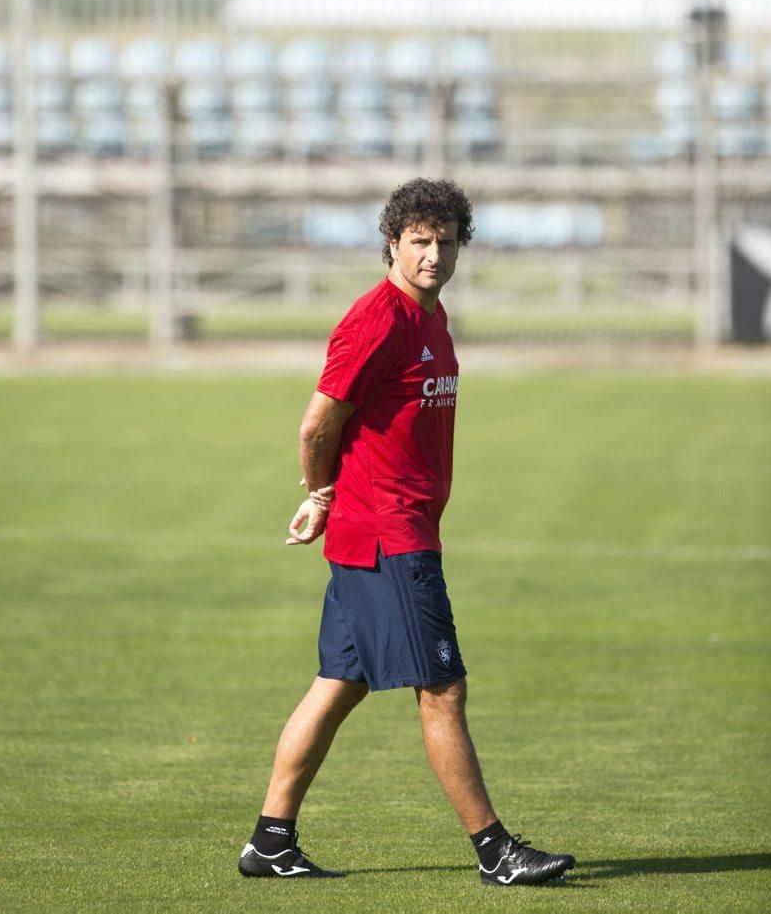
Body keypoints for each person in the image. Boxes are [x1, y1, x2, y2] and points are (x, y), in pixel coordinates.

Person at [238, 177, 575, 887]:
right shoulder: (378, 319)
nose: (433, 254)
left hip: (389, 528)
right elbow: (317, 421)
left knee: (338, 682)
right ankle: (496, 850)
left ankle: (270, 842)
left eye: (445, 241)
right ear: (392, 242)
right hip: (390, 535)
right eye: (419, 241)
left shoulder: (432, 317)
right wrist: (321, 491)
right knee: (442, 689)